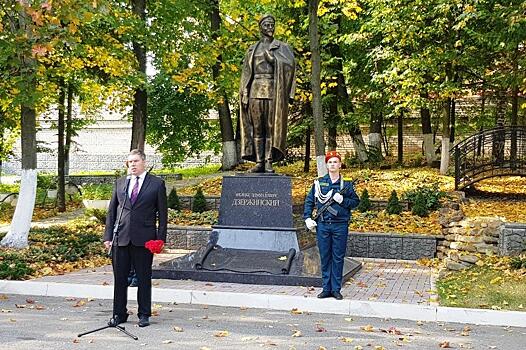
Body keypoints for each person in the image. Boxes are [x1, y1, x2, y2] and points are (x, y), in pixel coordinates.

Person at [103, 149, 167, 327]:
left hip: (144, 239)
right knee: (120, 279)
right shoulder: (121, 183)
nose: (132, 164)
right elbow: (112, 212)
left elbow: (162, 214)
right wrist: (108, 236)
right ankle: (119, 314)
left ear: (144, 162)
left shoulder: (156, 184)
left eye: (136, 161)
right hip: (120, 238)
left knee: (144, 278)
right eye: (130, 162)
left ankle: (144, 314)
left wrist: (160, 239)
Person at [239, 14, 296, 173]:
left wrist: (273, 60)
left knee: (271, 128)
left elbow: (291, 67)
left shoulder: (282, 47)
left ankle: (269, 161)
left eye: (272, 25)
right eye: (267, 25)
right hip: (255, 91)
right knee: (257, 128)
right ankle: (259, 162)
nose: (270, 28)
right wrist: (244, 92)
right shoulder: (252, 49)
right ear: (260, 27)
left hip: (273, 92)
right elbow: (245, 73)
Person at [303, 151, 360, 300]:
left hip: (340, 225)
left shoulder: (346, 184)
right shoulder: (319, 182)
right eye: (330, 162)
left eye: (335, 162)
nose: (333, 164)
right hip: (323, 225)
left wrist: (343, 201)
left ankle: (336, 289)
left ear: (340, 164)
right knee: (325, 256)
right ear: (326, 165)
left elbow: (355, 202)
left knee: (338, 257)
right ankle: (326, 288)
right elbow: (310, 201)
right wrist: (307, 218)